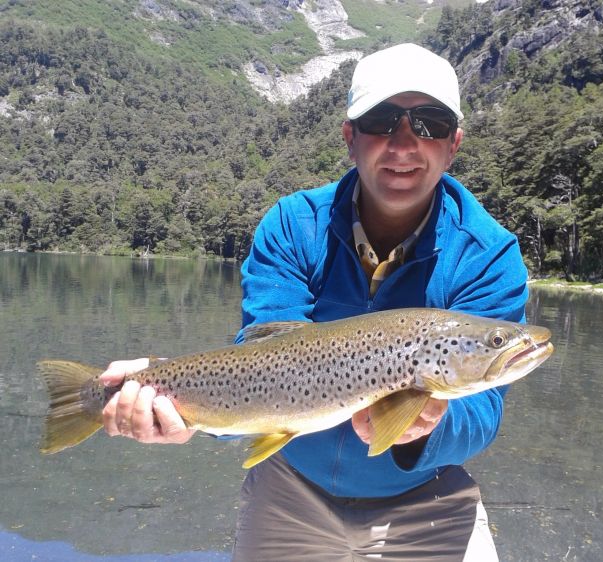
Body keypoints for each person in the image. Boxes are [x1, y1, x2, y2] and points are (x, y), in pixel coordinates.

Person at [101, 43, 528, 561]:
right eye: (382, 120)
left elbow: (483, 412)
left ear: (454, 143)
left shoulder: (489, 254)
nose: (404, 143)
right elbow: (260, 363)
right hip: (289, 490)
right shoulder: (291, 225)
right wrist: (173, 400)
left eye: (430, 123)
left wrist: (426, 428)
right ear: (350, 137)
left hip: (426, 498)